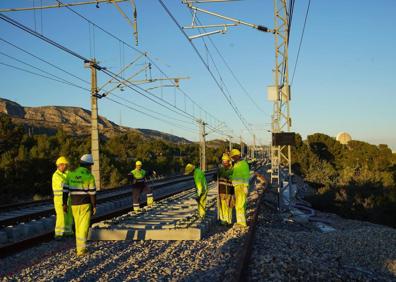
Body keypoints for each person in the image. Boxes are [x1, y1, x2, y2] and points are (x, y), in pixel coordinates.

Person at [62, 154, 96, 256]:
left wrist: (64, 203)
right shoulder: (89, 176)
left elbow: (65, 191)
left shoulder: (70, 175)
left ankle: (79, 248)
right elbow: (92, 193)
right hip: (85, 204)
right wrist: (94, 205)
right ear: (89, 165)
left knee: (77, 226)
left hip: (74, 204)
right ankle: (81, 251)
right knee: (84, 227)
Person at [52, 156, 73, 238]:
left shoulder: (68, 173)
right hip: (59, 200)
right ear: (59, 165)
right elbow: (64, 184)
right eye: (64, 165)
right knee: (61, 217)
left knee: (68, 217)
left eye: (66, 165)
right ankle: (58, 234)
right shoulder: (56, 175)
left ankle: (68, 232)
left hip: (68, 199)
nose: (65, 166)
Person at [230, 149, 250, 227]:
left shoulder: (243, 164)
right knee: (240, 204)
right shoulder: (236, 164)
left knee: (240, 205)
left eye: (234, 157)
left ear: (238, 156)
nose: (233, 159)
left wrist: (245, 186)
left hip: (241, 186)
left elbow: (246, 176)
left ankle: (241, 223)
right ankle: (241, 221)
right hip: (237, 186)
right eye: (232, 157)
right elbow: (235, 175)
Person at [216, 154, 234, 225]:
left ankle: (227, 221)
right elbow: (215, 178)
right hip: (222, 190)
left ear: (228, 161)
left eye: (225, 160)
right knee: (224, 206)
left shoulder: (230, 169)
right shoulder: (224, 169)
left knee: (227, 206)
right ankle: (224, 221)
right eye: (223, 160)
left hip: (228, 190)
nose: (224, 162)